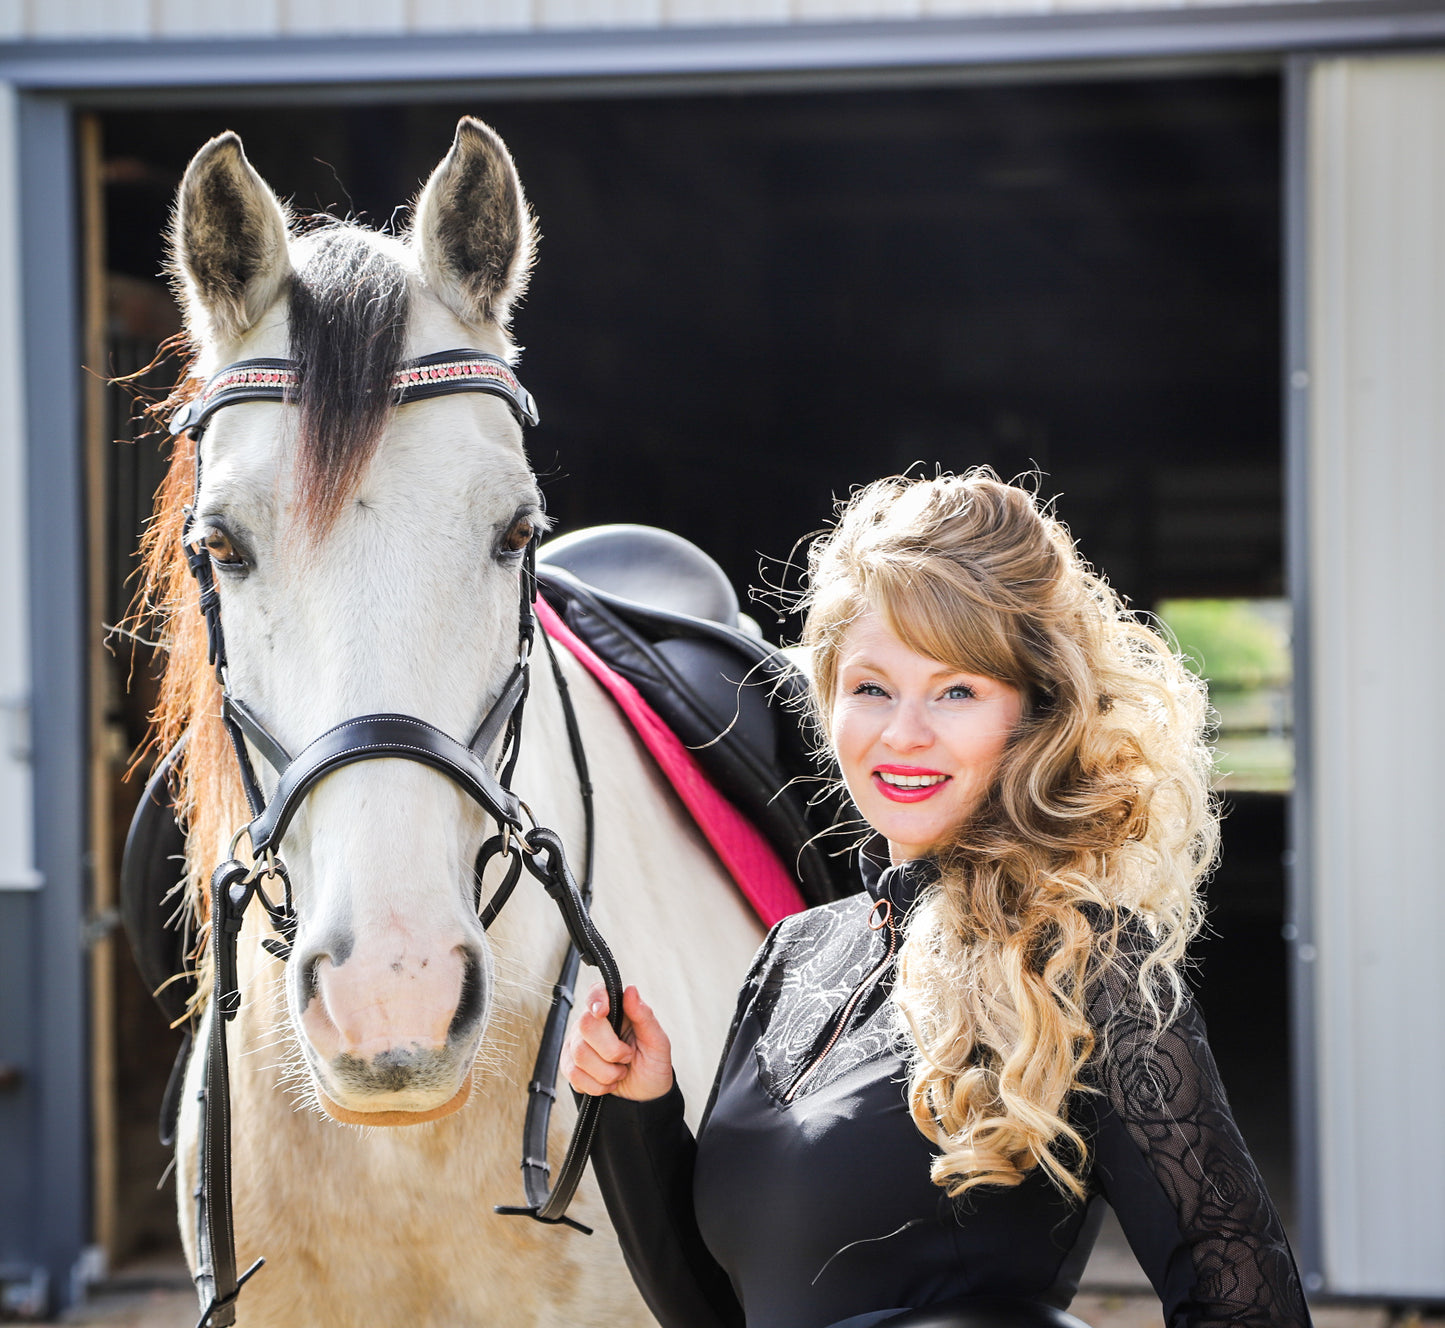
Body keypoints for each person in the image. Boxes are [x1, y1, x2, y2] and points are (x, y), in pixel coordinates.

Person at [564, 472, 1311, 1328]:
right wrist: (640, 1111)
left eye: (956, 690)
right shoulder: (795, 953)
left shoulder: (1080, 964)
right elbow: (714, 1312)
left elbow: (1246, 1304)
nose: (903, 731)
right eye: (871, 687)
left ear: (1034, 716)